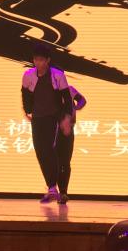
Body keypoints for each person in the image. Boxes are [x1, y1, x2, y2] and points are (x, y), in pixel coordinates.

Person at [21, 44, 83, 204]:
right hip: (38, 118)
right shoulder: (28, 75)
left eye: (41, 60)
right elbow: (25, 94)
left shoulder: (58, 76)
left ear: (47, 60)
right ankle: (51, 187)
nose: (38, 63)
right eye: (36, 59)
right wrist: (27, 111)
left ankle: (59, 190)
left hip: (54, 118)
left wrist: (68, 116)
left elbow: (68, 99)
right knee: (40, 151)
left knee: (54, 153)